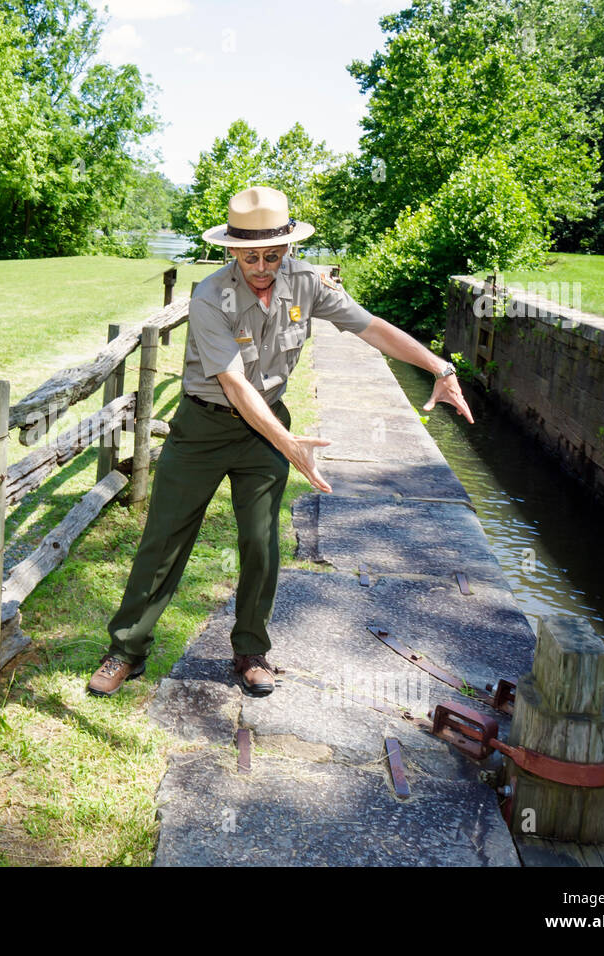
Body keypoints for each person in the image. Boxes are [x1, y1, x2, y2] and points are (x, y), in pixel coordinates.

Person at [87, 186, 474, 698]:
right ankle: (127, 650)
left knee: (261, 542)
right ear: (231, 250)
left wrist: (439, 367)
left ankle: (251, 651)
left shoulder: (307, 283)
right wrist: (289, 442)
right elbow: (234, 383)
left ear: (289, 246)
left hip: (267, 430)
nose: (263, 266)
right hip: (204, 427)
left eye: (274, 253)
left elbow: (371, 328)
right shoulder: (209, 297)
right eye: (251, 255)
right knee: (164, 539)